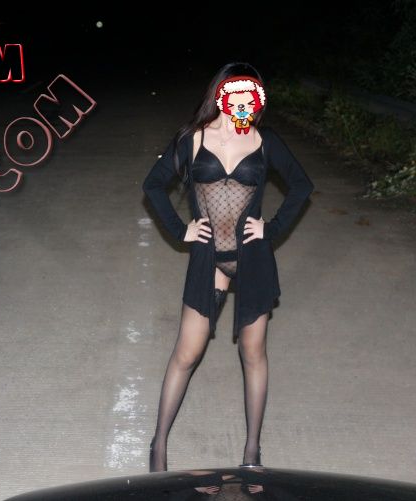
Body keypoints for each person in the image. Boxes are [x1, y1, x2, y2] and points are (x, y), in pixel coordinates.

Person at [142, 62, 314, 472]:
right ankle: (159, 446)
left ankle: (252, 453)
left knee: (254, 354)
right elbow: (153, 184)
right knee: (187, 352)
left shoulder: (264, 139)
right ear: (220, 95)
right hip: (210, 259)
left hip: (252, 258)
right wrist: (180, 229)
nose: (243, 103)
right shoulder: (192, 138)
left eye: (250, 95)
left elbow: (302, 185)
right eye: (236, 93)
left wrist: (272, 228)